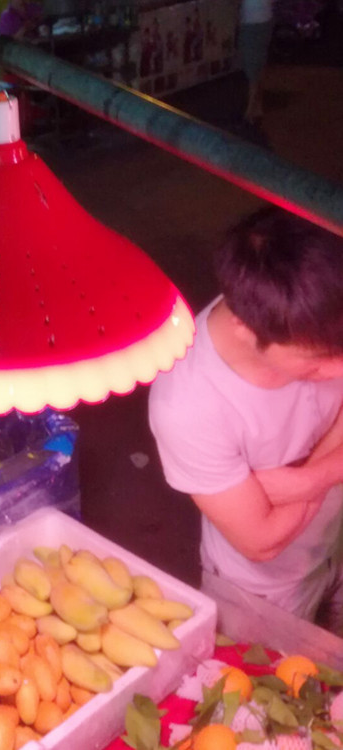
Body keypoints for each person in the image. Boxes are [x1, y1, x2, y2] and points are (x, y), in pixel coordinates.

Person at [148, 207, 343, 633]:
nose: (339, 370)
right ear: (244, 328)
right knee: (278, 685)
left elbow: (279, 512)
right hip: (268, 588)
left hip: (335, 533)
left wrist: (308, 479)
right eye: (316, 364)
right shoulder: (187, 405)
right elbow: (261, 541)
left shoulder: (320, 310)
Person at [238, 0, 275, 124]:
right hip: (263, 19)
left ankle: (250, 110)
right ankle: (257, 105)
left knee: (252, 63)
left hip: (253, 21)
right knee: (259, 61)